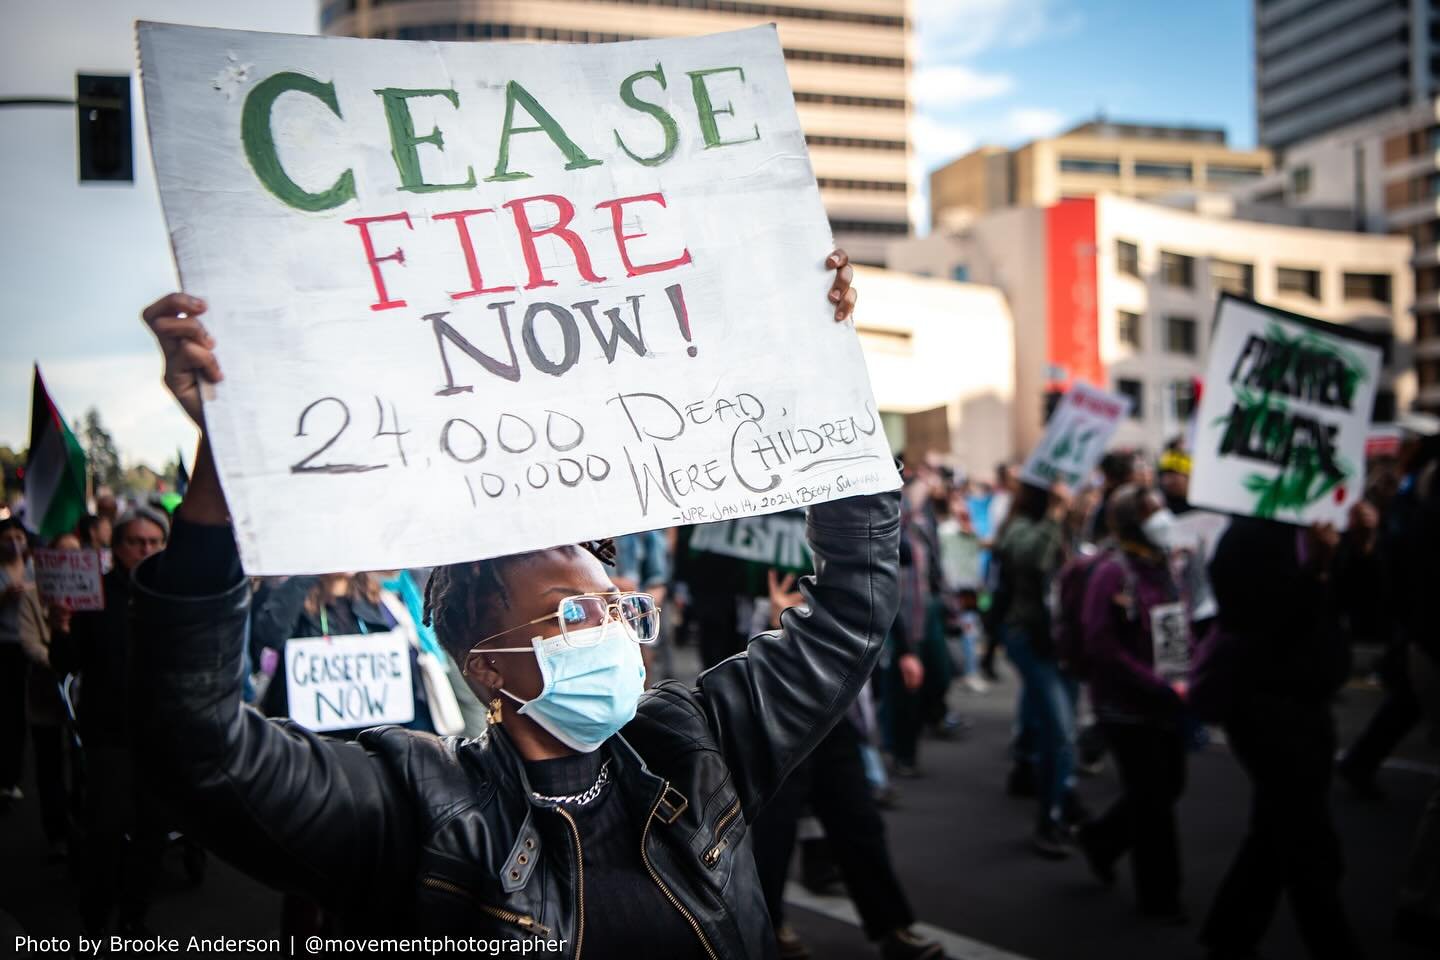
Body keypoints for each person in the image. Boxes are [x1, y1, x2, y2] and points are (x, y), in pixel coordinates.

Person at [131, 255, 904, 956]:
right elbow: (199, 745)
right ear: (489, 668)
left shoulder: (692, 748)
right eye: (574, 614)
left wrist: (833, 385)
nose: (615, 635)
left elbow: (848, 618)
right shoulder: (414, 809)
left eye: (618, 609)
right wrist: (228, 464)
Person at [1197, 516, 1362, 960]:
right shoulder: (1247, 538)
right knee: (1308, 841)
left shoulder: (1314, 529)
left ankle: (1228, 935)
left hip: (1308, 702)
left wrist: (1358, 548)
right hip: (1267, 705)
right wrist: (1316, 570)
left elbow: (1360, 606)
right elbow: (1263, 622)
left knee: (1276, 829)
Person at [53, 505, 171, 934]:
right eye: (137, 542)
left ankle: (134, 926)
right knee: (104, 835)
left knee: (152, 836)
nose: (147, 550)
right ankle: (95, 924)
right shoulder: (92, 595)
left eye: (155, 542)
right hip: (110, 735)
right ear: (117, 547)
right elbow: (65, 664)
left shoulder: (173, 593)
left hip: (162, 736)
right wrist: (60, 628)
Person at [1074, 485, 1189, 924]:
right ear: (1131, 521)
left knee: (1169, 785)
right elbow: (1100, 644)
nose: (1162, 516)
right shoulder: (1111, 572)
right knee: (1154, 800)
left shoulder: (1163, 566)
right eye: (1152, 510)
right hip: (1126, 707)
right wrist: (1153, 682)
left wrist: (1182, 674)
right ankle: (1161, 897)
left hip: (1165, 700)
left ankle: (1101, 840)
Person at [996, 481, 1077, 857]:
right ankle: (1050, 818)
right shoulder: (1022, 527)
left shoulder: (1070, 526)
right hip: (1030, 635)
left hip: (1063, 640)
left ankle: (1036, 774)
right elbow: (1032, 561)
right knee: (1060, 732)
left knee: (1047, 716)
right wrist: (1054, 518)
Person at [18, 531, 82, 859]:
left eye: (75, 557)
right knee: (49, 763)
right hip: (46, 693)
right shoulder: (32, 597)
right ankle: (56, 830)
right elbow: (29, 643)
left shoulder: (91, 597)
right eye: (61, 558)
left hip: (84, 698)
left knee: (84, 763)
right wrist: (59, 663)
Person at [0, 517, 35, 806]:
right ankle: (9, 775)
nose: (15, 543)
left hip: (33, 645)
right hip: (6, 648)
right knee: (10, 712)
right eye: (7, 537)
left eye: (19, 537)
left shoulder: (35, 568)